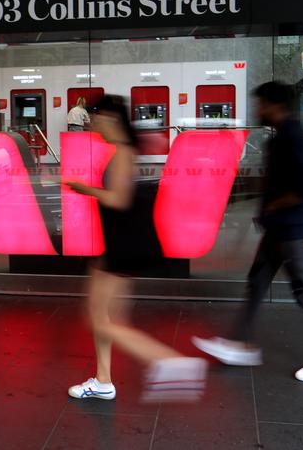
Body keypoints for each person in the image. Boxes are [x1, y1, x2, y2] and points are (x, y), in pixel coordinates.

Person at [193, 82, 303, 382]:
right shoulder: (279, 138)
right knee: (257, 283)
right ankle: (240, 344)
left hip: (290, 231)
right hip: (279, 229)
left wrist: (274, 206)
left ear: (275, 105)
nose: (257, 110)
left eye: (261, 104)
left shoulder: (292, 137)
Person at [65, 95, 207, 403]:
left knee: (98, 319)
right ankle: (103, 380)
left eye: (97, 116)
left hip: (120, 249)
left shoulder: (122, 153)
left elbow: (118, 199)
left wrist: (83, 188)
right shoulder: (124, 151)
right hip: (119, 246)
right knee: (108, 318)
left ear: (112, 119)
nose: (93, 122)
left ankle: (170, 361)